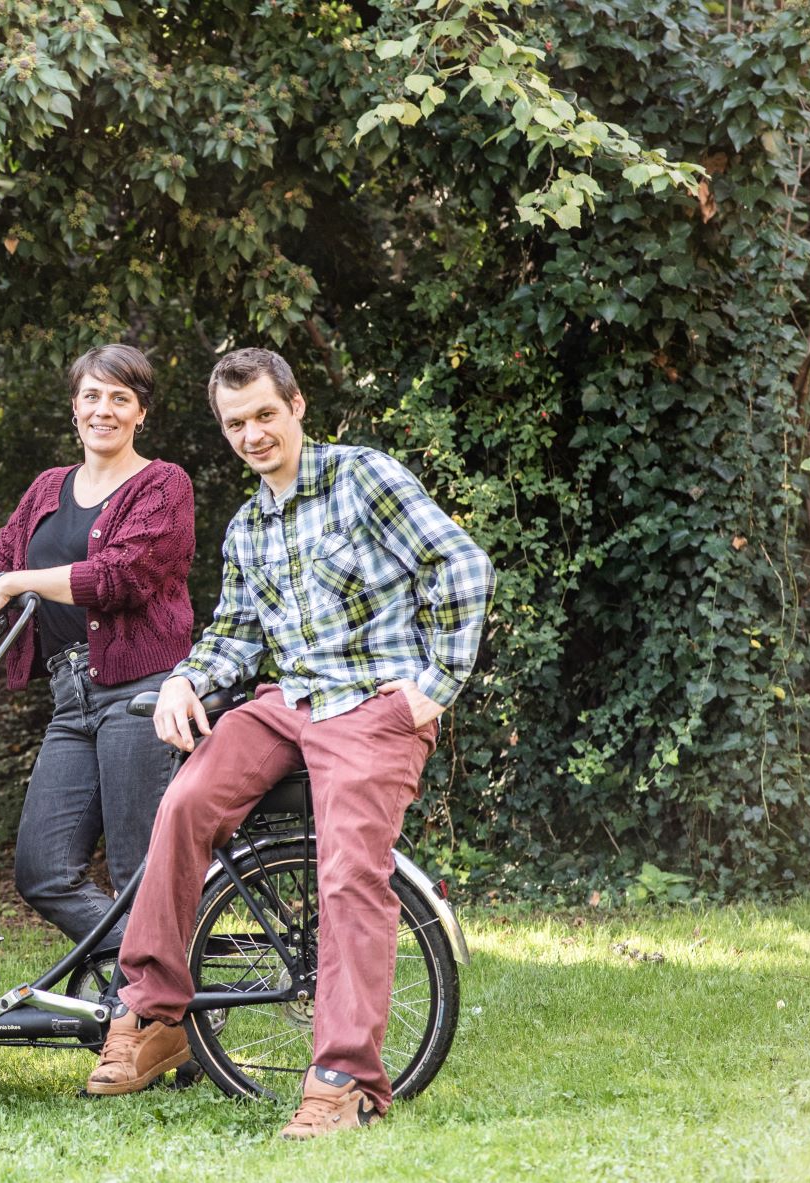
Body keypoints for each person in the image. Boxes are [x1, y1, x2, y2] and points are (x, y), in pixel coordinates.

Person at [81, 348, 494, 1137]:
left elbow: (463, 567)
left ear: (297, 406)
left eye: (265, 415)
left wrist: (433, 686)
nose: (252, 434)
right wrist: (185, 682)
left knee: (348, 873)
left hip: (372, 704)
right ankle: (157, 1012)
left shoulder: (362, 477)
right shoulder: (248, 526)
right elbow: (234, 637)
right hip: (290, 701)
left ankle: (344, 1079)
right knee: (186, 802)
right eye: (236, 423)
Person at [0, 344, 195, 953]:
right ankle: (148, 983)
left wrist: (13, 584)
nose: (102, 410)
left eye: (120, 398)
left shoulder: (163, 484)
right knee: (42, 871)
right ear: (74, 407)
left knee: (141, 872)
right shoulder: (48, 487)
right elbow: (4, 554)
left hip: (142, 693)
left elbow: (119, 577)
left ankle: (159, 1025)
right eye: (91, 395)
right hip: (71, 696)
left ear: (141, 414)